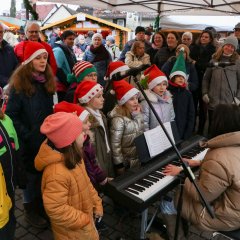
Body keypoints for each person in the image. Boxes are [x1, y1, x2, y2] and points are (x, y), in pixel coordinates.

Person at [161, 104, 240, 239]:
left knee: (167, 202)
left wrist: (181, 174)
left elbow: (201, 196)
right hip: (234, 209)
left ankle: (179, 237)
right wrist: (199, 163)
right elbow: (230, 167)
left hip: (222, 216)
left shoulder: (218, 157)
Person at [5, 41, 56, 229]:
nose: (43, 61)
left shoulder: (46, 82)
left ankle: (40, 206)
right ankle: (29, 210)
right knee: (30, 177)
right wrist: (28, 134)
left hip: (45, 140)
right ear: (29, 60)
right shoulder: (19, 85)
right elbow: (11, 115)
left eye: (45, 58)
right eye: (38, 58)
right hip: (28, 142)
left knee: (42, 175)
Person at [35, 112, 103, 240]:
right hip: (73, 232)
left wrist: (96, 203)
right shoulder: (56, 174)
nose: (84, 134)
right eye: (80, 132)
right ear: (69, 141)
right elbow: (55, 208)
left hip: (84, 224)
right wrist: (84, 219)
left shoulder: (76, 157)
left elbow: (86, 183)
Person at [53, 101, 109, 188]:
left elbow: (94, 165)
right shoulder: (73, 151)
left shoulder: (86, 140)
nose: (89, 124)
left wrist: (103, 180)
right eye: (86, 122)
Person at [74, 80, 114, 177]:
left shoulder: (100, 115)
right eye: (98, 96)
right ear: (88, 100)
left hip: (107, 157)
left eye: (102, 95)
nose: (103, 99)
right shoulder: (86, 123)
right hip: (98, 163)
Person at [202, 36, 240, 132]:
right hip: (213, 102)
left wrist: (238, 98)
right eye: (227, 45)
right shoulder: (214, 60)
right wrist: (205, 93)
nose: (229, 48)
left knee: (227, 130)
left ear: (235, 49)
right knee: (212, 128)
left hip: (229, 103)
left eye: (232, 47)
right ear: (223, 46)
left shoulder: (237, 63)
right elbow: (206, 79)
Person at [108, 80, 144, 175]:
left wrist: (137, 116)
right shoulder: (118, 120)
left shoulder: (135, 114)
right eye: (131, 99)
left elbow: (140, 131)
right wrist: (120, 166)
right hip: (127, 165)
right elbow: (115, 146)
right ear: (123, 102)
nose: (136, 102)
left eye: (136, 98)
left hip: (138, 160)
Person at [190, 30, 216, 134]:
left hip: (205, 82)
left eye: (206, 37)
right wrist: (198, 64)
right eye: (202, 37)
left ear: (210, 39)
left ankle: (201, 131)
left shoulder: (213, 51)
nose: (203, 38)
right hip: (194, 79)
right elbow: (190, 61)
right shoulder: (194, 48)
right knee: (192, 107)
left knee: (203, 109)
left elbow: (207, 65)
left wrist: (196, 63)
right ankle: (191, 130)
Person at [0, 109, 19, 240]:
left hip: (9, 183)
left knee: (10, 220)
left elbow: (16, 148)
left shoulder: (6, 119)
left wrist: (20, 174)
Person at [168, 48, 195, 140]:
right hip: (169, 129)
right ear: (173, 78)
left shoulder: (187, 94)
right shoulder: (167, 93)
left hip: (182, 129)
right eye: (178, 76)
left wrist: (188, 133)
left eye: (182, 77)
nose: (180, 79)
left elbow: (191, 114)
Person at [141, 64, 175, 131]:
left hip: (167, 136)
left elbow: (172, 118)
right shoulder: (146, 103)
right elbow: (144, 124)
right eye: (158, 84)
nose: (162, 87)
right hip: (153, 137)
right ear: (152, 86)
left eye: (164, 84)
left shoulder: (168, 100)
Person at [53, 30, 77, 102]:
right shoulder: (59, 50)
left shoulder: (68, 49)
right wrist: (67, 82)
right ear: (63, 39)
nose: (72, 41)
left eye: (73, 39)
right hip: (62, 85)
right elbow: (57, 68)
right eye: (70, 39)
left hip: (67, 84)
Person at [0, 23, 18, 89]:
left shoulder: (9, 49)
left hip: (10, 89)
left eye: (1, 32)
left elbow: (15, 66)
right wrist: (8, 81)